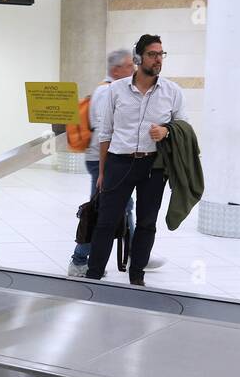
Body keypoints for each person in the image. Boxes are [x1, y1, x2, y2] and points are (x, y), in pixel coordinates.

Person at [86, 34, 186, 286]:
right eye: (153, 54)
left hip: (154, 166)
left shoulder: (172, 91)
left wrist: (167, 130)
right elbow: (105, 131)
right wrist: (102, 172)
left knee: (146, 223)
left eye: (161, 54)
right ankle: (93, 275)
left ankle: (137, 277)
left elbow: (183, 127)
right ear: (139, 58)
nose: (158, 60)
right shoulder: (116, 90)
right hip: (119, 162)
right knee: (106, 222)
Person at [68, 49, 135, 277]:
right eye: (129, 65)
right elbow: (107, 128)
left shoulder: (114, 89)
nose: (133, 68)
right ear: (116, 70)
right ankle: (78, 260)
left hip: (109, 159)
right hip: (102, 160)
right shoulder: (106, 91)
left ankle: (135, 253)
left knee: (126, 208)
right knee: (98, 212)